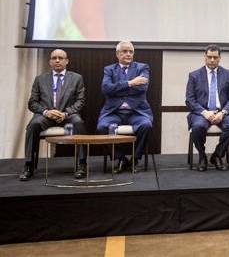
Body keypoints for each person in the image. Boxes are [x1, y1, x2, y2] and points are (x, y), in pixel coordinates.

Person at [20, 49, 87, 181]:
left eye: (60, 58)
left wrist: (66, 113)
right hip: (46, 116)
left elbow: (81, 101)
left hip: (67, 115)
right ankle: (29, 165)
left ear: (66, 61)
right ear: (50, 62)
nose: (57, 61)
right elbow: (32, 103)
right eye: (54, 58)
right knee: (33, 124)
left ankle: (82, 164)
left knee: (78, 123)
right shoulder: (40, 79)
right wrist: (46, 112)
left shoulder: (77, 78)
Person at [96, 41, 153, 173]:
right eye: (125, 51)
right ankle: (121, 158)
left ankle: (135, 159)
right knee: (102, 127)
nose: (128, 54)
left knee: (146, 125)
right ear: (117, 54)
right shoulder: (109, 69)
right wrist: (130, 83)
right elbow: (106, 89)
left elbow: (142, 88)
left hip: (136, 112)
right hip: (114, 112)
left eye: (131, 52)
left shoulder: (142, 68)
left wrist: (116, 89)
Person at [186, 44, 229, 171]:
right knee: (198, 126)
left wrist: (223, 112)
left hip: (222, 112)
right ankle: (202, 156)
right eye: (209, 57)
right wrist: (205, 112)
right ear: (204, 57)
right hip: (201, 113)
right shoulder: (194, 75)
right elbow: (190, 100)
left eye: (215, 57)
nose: (212, 60)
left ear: (220, 58)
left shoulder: (228, 74)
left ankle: (217, 155)